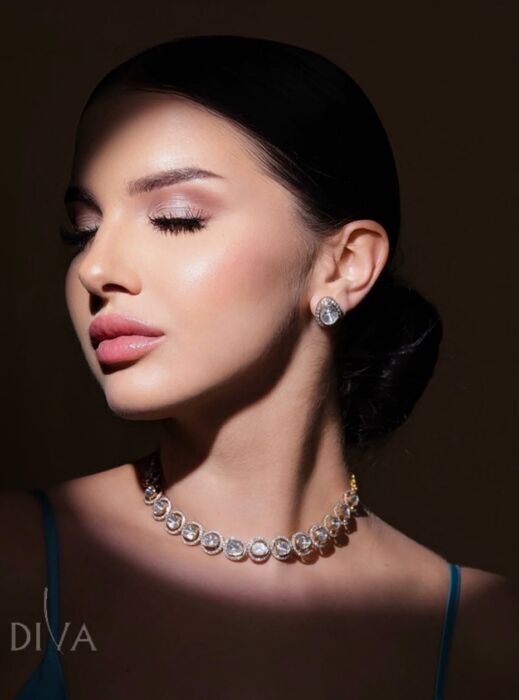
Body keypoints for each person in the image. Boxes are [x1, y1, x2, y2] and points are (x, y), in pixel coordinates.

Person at [1, 34, 518, 700]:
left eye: (176, 218)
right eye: (84, 229)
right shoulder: (19, 568)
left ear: (344, 266)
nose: (94, 268)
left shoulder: (482, 637)